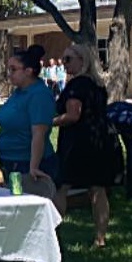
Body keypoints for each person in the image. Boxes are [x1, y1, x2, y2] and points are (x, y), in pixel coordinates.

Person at [52, 43, 114, 248]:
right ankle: (100, 238)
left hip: (77, 143)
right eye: (62, 59)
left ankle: (53, 237)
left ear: (82, 60)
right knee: (98, 189)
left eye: (68, 59)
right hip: (100, 141)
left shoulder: (76, 85)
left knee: (62, 187)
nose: (64, 63)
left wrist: (48, 121)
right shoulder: (97, 85)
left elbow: (72, 115)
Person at [0, 45, 58, 182]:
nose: (9, 73)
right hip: (10, 161)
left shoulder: (39, 95)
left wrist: (34, 167)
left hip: (26, 164)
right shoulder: (18, 92)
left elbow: (39, 133)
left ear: (28, 71)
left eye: (13, 69)